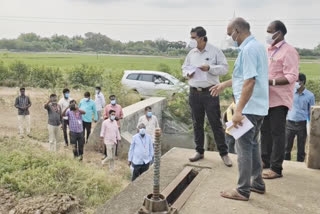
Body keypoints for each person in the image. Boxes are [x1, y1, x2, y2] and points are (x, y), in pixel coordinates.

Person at [210, 17, 269, 201]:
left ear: (237, 30)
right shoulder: (257, 47)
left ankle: (243, 190)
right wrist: (224, 85)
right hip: (258, 107)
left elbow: (250, 82)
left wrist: (238, 111)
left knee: (243, 148)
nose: (230, 38)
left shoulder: (249, 50)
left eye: (230, 34)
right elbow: (244, 77)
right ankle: (257, 183)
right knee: (252, 146)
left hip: (248, 109)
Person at [182, 26, 232, 166]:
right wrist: (187, 74)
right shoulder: (191, 53)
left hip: (210, 92)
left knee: (215, 123)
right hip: (194, 92)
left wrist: (210, 68)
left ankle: (224, 153)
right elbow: (184, 68)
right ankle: (199, 151)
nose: (191, 40)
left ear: (202, 38)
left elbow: (224, 68)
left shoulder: (215, 51)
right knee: (197, 123)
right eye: (191, 37)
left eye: (194, 37)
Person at [261, 20, 299, 179]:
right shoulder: (267, 50)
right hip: (266, 98)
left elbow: (292, 76)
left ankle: (276, 168)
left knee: (277, 133)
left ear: (279, 33)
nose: (267, 34)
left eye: (270, 31)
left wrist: (271, 82)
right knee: (265, 131)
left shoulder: (289, 51)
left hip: (279, 99)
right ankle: (265, 161)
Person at [285, 73, 315, 162]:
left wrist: (311, 125)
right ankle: (286, 165)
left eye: (297, 82)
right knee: (286, 148)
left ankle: (300, 166)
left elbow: (311, 111)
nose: (296, 84)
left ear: (303, 82)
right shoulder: (290, 93)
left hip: (302, 124)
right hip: (289, 123)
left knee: (301, 149)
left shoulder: (310, 95)